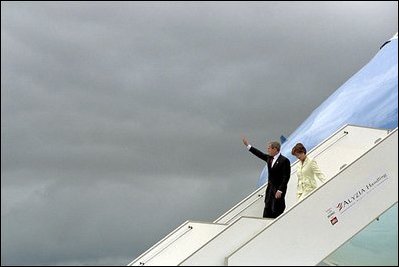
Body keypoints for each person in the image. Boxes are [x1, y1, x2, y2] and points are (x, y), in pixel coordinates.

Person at [242, 136, 291, 218]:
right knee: (267, 206)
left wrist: (280, 190)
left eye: (269, 148)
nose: (267, 150)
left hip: (278, 189)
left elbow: (286, 177)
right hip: (270, 189)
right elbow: (259, 154)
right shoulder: (269, 158)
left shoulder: (284, 160)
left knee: (277, 208)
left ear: (275, 149)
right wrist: (248, 146)